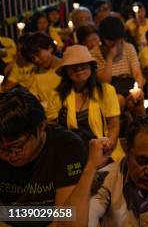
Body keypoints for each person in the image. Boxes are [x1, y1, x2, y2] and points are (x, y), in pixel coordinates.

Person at [0, 89, 87, 217]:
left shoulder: (67, 146)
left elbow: (64, 218)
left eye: (17, 146)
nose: (10, 155)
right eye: (2, 149)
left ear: (41, 127)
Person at [91, 16, 145, 115]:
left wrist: (138, 90)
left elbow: (137, 73)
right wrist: (110, 58)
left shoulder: (128, 48)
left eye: (119, 41)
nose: (117, 45)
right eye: (112, 41)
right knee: (119, 100)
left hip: (127, 86)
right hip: (108, 92)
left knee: (138, 100)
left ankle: (141, 128)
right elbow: (104, 81)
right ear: (103, 38)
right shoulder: (94, 54)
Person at [19, 32, 62, 113]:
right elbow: (32, 99)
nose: (36, 60)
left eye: (37, 54)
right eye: (32, 58)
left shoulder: (67, 67)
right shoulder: (36, 73)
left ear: (50, 48)